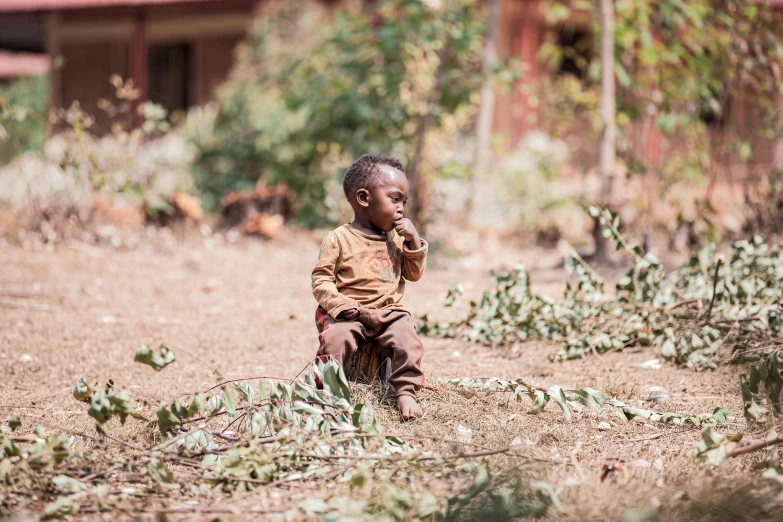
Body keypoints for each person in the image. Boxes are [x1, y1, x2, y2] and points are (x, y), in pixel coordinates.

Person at [311, 154, 427, 420]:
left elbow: (413, 274)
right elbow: (321, 279)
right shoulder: (339, 239)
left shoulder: (397, 239)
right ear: (364, 198)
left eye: (404, 202)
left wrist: (413, 240)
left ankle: (406, 391)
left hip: (388, 312)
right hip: (347, 312)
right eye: (394, 199)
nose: (401, 209)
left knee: (408, 338)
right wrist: (340, 305)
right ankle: (326, 394)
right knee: (335, 341)